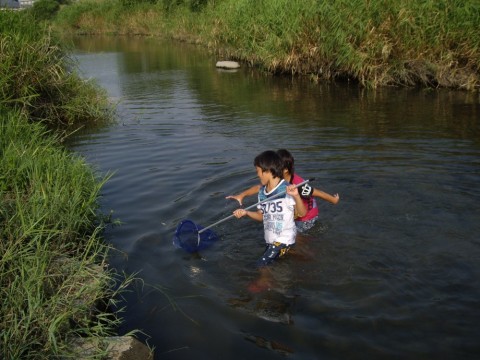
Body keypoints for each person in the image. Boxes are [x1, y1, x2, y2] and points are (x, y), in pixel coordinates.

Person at [227, 149, 339, 233]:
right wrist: (242, 195)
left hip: (305, 217)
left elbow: (316, 192)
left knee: (297, 242)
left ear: (284, 169)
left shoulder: (297, 183)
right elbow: (259, 188)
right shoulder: (275, 179)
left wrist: (333, 200)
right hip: (293, 213)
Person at [232, 150, 307, 269]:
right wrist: (246, 213)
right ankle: (299, 255)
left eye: (258, 171)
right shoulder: (262, 193)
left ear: (267, 171)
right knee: (271, 262)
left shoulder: (287, 189)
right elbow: (261, 216)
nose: (257, 175)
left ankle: (261, 283)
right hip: (270, 240)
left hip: (284, 239)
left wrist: (297, 196)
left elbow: (302, 213)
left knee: (261, 264)